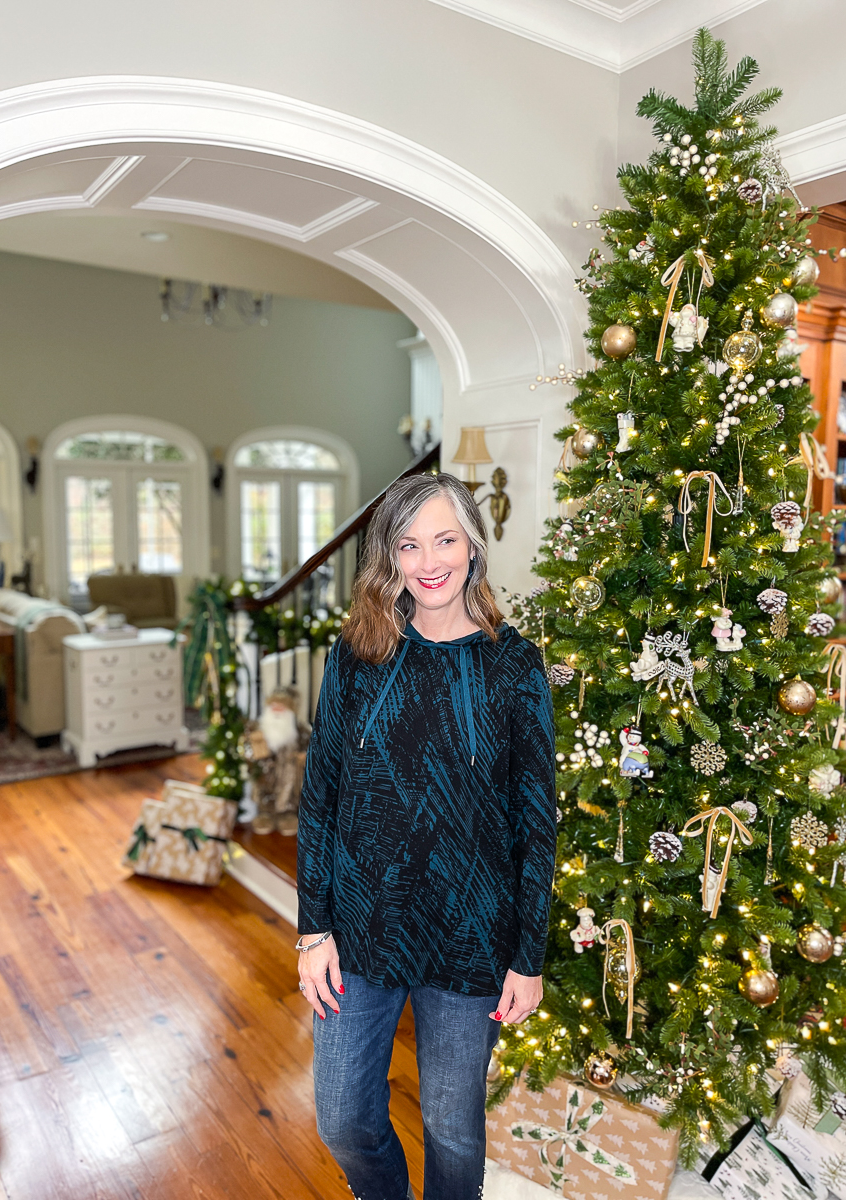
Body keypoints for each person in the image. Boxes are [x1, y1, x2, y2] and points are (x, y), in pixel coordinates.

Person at [296, 471, 557, 1200]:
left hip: (471, 935)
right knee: (343, 1120)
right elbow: (321, 798)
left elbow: (537, 824)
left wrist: (527, 956)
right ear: (390, 557)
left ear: (473, 545)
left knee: (452, 1128)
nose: (429, 559)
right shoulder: (357, 656)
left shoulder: (514, 665)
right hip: (360, 928)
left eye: (445, 539)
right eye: (409, 544)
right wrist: (312, 930)